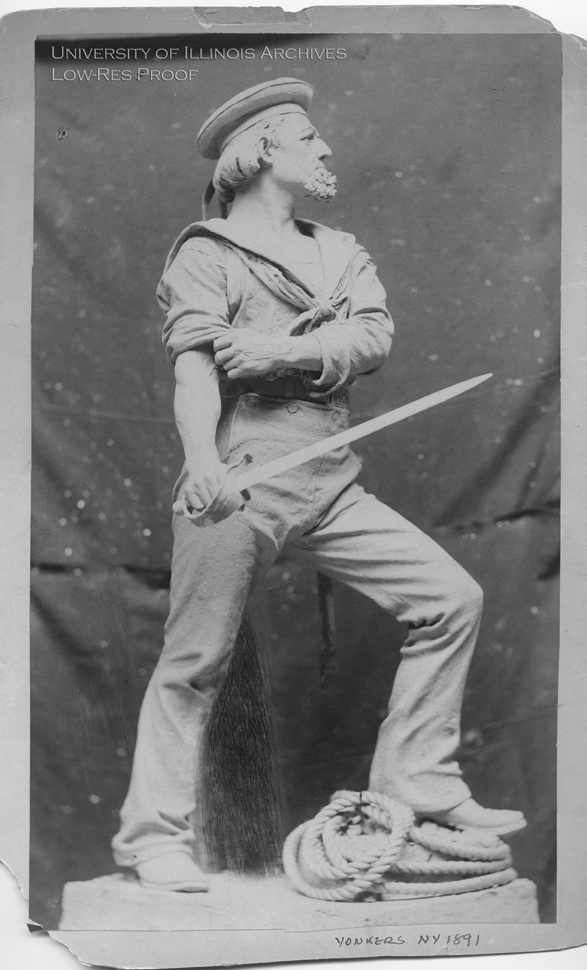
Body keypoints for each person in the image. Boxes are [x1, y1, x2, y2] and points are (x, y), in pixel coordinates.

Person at [111, 78, 526, 892]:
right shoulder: (207, 253)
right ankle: (152, 838)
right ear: (262, 150)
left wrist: (282, 352)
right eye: (307, 138)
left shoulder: (340, 251)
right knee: (195, 660)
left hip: (330, 477)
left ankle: (419, 778)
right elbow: (195, 372)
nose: (326, 148)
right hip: (243, 475)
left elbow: (373, 336)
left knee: (450, 600)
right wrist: (202, 462)